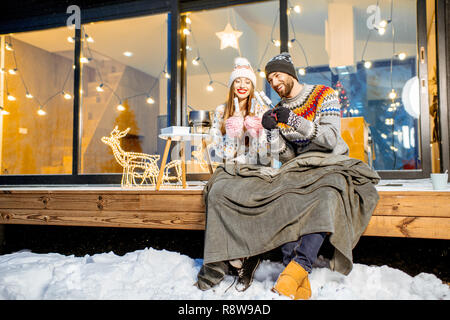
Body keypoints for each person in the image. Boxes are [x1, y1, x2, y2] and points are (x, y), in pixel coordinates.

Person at [196, 52, 380, 299]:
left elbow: (330, 139)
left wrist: (294, 120)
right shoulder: (278, 108)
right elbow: (287, 156)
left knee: (327, 194)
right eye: (270, 79)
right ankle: (292, 272)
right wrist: (271, 132)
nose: (274, 82)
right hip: (300, 166)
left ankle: (298, 267)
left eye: (277, 75)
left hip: (330, 161)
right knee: (283, 195)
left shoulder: (325, 95)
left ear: (290, 73)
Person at [208, 57, 269, 165]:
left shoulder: (260, 110)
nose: (242, 85)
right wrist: (232, 133)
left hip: (255, 167)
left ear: (252, 87)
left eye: (247, 82)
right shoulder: (221, 111)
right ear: (232, 85)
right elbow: (221, 153)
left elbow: (264, 151)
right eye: (237, 81)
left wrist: (257, 134)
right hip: (229, 167)